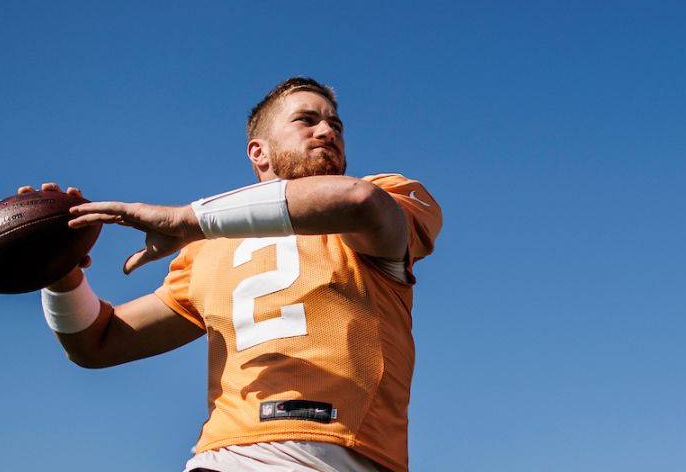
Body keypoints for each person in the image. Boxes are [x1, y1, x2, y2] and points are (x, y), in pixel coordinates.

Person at [23, 77, 442, 472]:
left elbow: (357, 200)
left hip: (337, 457)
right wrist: (59, 273)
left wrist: (188, 219)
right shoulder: (206, 249)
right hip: (228, 456)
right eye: (306, 120)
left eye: (335, 123)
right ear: (259, 152)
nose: (326, 131)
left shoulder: (387, 195)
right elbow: (97, 343)